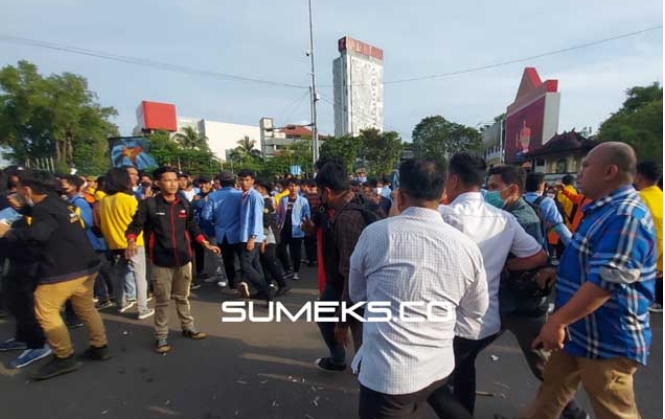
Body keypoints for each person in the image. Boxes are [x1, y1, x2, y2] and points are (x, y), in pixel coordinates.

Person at [521, 142, 657, 419]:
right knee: (550, 393)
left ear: (609, 171)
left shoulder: (625, 216)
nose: (579, 173)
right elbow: (591, 261)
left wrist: (558, 321)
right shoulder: (601, 209)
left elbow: (605, 283)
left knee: (614, 410)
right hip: (578, 331)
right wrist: (558, 270)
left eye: (585, 166)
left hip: (607, 338)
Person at [350, 159, 485, 419]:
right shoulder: (466, 246)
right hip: (438, 367)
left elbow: (358, 293)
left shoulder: (376, 234)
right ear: (443, 194)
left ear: (399, 195)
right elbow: (475, 312)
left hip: (389, 375)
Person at [429, 153, 547, 416]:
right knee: (464, 369)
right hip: (486, 316)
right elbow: (538, 255)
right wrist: (504, 265)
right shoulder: (503, 219)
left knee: (433, 381)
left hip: (449, 318)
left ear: (453, 179)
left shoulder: (443, 216)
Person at [486, 166, 589, 419]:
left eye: (493, 188)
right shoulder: (506, 212)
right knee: (466, 349)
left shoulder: (521, 218)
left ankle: (575, 413)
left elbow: (533, 258)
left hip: (524, 304)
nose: (488, 193)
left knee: (542, 364)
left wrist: (501, 262)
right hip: (507, 300)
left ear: (513, 189)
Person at [0, 170, 109, 380]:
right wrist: (24, 209)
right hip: (85, 264)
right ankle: (99, 346)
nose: (17, 191)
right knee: (85, 307)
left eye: (19, 187)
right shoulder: (59, 202)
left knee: (44, 309)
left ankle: (64, 357)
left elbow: (40, 234)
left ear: (28, 189)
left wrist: (9, 233)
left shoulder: (43, 208)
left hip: (65, 269)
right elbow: (51, 222)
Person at [125, 166, 220, 353]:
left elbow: (193, 227)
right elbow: (135, 226)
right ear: (158, 183)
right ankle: (161, 336)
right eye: (168, 180)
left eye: (175, 180)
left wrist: (205, 243)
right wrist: (130, 242)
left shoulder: (184, 203)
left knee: (183, 298)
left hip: (184, 259)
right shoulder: (149, 205)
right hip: (161, 261)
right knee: (162, 301)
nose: (173, 184)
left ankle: (187, 327)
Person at [309, 160, 372, 372]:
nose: (319, 197)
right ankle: (344, 360)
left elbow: (349, 272)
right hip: (343, 283)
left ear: (327, 191)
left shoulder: (347, 218)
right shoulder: (360, 203)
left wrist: (342, 319)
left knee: (356, 333)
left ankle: (360, 373)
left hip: (346, 286)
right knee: (327, 316)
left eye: (320, 192)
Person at [97, 168, 151, 319]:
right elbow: (139, 220)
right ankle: (143, 308)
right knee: (139, 275)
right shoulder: (129, 199)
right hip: (133, 242)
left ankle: (121, 302)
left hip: (114, 243)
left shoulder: (104, 201)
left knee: (119, 273)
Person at [236, 169, 272, 302]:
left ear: (252, 181)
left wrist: (252, 237)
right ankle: (264, 293)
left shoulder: (254, 196)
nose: (244, 183)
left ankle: (266, 289)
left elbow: (258, 218)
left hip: (251, 236)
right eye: (242, 180)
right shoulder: (244, 195)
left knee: (245, 264)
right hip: (245, 235)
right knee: (255, 263)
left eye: (247, 180)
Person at [202, 171, 242, 290]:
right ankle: (244, 281)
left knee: (227, 260)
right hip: (239, 232)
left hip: (222, 233)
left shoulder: (213, 196)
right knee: (242, 259)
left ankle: (232, 284)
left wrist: (215, 220)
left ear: (220, 182)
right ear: (234, 182)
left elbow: (206, 215)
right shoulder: (240, 194)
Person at [634, 161, 663, 313]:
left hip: (639, 261)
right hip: (658, 261)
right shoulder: (662, 197)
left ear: (638, 177)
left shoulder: (638, 199)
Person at [255, 180, 290, 297]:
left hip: (269, 237)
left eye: (256, 187)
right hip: (265, 236)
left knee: (269, 260)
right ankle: (268, 286)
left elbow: (266, 222)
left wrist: (263, 240)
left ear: (261, 189)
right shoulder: (263, 200)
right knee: (264, 261)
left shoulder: (266, 202)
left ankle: (282, 284)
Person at [524, 172, 573, 251]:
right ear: (541, 186)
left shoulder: (518, 200)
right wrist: (573, 247)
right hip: (538, 246)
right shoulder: (547, 202)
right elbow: (559, 226)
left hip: (518, 246)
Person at [276, 178, 311, 281]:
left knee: (296, 252)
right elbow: (279, 213)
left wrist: (302, 223)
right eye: (291, 186)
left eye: (296, 186)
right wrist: (278, 224)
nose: (293, 188)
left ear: (298, 187)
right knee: (280, 249)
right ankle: (287, 269)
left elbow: (307, 214)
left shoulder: (303, 200)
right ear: (287, 187)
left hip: (296, 229)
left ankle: (296, 272)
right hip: (284, 228)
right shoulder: (284, 199)